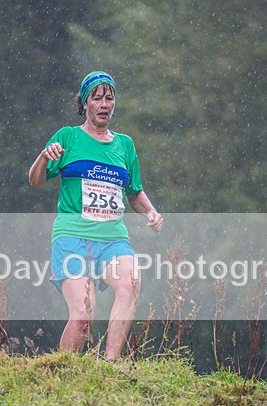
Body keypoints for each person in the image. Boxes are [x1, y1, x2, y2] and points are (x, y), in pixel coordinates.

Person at [29, 71, 163, 362]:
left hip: (112, 238)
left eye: (109, 98)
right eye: (97, 98)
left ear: (115, 104)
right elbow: (35, 181)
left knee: (130, 283)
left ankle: (111, 365)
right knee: (83, 317)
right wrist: (43, 157)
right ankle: (61, 374)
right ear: (85, 103)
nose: (104, 104)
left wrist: (151, 212)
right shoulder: (67, 137)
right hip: (72, 237)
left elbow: (134, 192)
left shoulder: (124, 145)